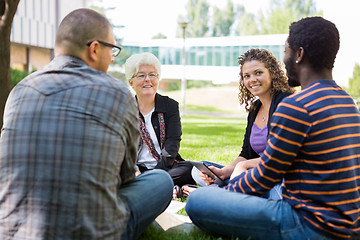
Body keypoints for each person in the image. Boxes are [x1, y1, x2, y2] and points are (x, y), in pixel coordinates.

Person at [0, 8, 173, 240]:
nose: (113, 58)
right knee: (161, 180)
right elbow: (124, 178)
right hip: (91, 231)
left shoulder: (20, 90)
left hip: (13, 230)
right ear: (94, 49)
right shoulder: (117, 94)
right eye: (112, 50)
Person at [186, 16, 360, 240]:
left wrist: (222, 195)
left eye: (286, 51)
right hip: (348, 225)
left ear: (299, 54)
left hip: (308, 225)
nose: (285, 60)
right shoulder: (347, 103)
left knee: (199, 201)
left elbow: (265, 177)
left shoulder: (297, 105)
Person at [187, 48, 294, 200]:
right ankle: (229, 191)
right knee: (198, 171)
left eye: (258, 73)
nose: (252, 80)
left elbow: (281, 156)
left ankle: (223, 195)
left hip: (277, 177)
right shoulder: (255, 109)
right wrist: (225, 171)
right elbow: (246, 154)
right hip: (254, 174)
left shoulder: (285, 103)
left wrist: (243, 167)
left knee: (275, 192)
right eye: (247, 76)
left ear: (272, 73)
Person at [124, 52, 196, 188]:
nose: (147, 79)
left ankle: (147, 185)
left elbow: (172, 144)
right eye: (141, 75)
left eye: (152, 75)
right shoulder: (124, 110)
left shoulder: (170, 106)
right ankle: (161, 186)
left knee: (189, 169)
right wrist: (134, 171)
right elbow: (122, 149)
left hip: (166, 167)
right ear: (131, 82)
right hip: (138, 170)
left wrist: (158, 173)